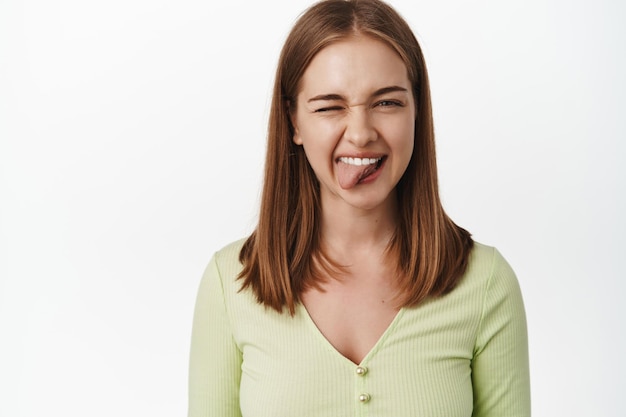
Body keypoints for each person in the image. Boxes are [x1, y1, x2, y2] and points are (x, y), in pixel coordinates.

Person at [188, 0, 530, 416]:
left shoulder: (486, 284)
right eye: (330, 107)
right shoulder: (231, 284)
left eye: (387, 103)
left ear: (416, 112)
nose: (362, 133)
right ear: (293, 122)